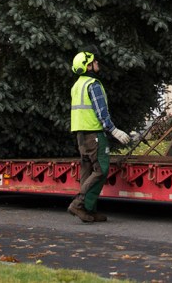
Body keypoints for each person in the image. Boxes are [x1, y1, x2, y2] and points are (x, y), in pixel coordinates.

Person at [68, 50, 132, 223]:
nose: (97, 63)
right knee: (101, 170)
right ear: (88, 66)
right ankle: (78, 204)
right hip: (94, 134)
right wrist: (114, 130)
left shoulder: (77, 85)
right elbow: (101, 111)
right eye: (94, 61)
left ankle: (89, 210)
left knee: (87, 171)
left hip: (81, 135)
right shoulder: (93, 84)